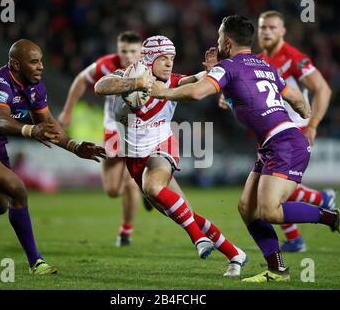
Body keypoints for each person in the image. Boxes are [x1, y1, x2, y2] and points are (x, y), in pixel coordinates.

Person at [150, 15, 340, 283]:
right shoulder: (264, 66)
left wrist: (159, 92)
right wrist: (306, 115)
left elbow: (195, 93)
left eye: (218, 37)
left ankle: (334, 218)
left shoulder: (229, 67)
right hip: (276, 143)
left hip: (283, 144)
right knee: (247, 209)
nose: (215, 42)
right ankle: (278, 270)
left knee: (270, 210)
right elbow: (294, 98)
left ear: (227, 41)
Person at [0, 39, 106, 275]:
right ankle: (35, 262)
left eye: (41, 61)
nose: (41, 66)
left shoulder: (36, 87)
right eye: (34, 62)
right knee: (17, 190)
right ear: (16, 64)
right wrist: (30, 130)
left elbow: (48, 124)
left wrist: (75, 147)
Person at [95, 35, 248, 277]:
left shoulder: (175, 82)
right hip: (134, 160)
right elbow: (100, 86)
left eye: (172, 58)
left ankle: (198, 239)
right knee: (183, 211)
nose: (169, 64)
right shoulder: (124, 78)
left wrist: (213, 71)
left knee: (154, 187)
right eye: (163, 58)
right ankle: (235, 253)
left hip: (163, 148)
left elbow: (199, 79)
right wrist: (134, 84)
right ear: (148, 59)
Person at [218, 10, 337, 253]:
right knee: (267, 197)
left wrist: (313, 124)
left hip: (293, 130)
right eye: (263, 27)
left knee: (273, 193)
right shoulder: (257, 59)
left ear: (283, 31)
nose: (267, 32)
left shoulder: (293, 58)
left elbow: (323, 89)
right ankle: (296, 237)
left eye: (272, 27)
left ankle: (322, 202)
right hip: (269, 132)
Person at [58, 31, 145, 247]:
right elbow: (80, 80)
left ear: (141, 51)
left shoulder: (149, 67)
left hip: (139, 130)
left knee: (130, 182)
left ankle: (125, 232)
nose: (127, 55)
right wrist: (68, 112)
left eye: (133, 51)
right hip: (113, 129)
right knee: (112, 190)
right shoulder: (106, 65)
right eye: (123, 50)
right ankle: (144, 188)